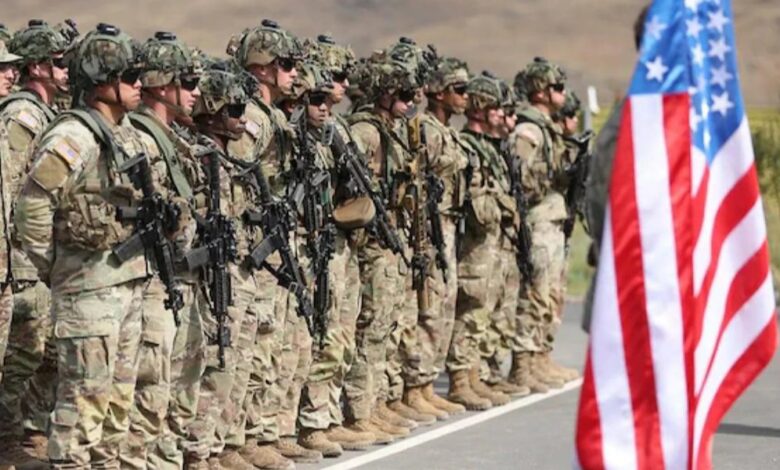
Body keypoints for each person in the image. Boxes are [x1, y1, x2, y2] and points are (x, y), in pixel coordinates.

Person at [13, 22, 152, 469]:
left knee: (117, 403)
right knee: (84, 401)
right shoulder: (74, 135)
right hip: (87, 288)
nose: (140, 84)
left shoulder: (125, 132)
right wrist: (49, 265)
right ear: (101, 79)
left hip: (126, 282)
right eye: (130, 76)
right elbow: (33, 203)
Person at [120, 31, 205, 470]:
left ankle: (164, 457)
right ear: (160, 86)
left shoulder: (172, 138)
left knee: (175, 374)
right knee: (150, 381)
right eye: (186, 83)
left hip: (177, 274)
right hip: (152, 275)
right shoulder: (140, 138)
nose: (195, 93)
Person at [225, 19, 305, 470]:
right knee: (248, 344)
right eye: (286, 64)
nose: (294, 74)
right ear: (261, 67)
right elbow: (237, 178)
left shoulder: (270, 115)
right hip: (250, 245)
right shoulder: (253, 119)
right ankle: (234, 440)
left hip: (269, 243)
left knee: (267, 340)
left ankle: (253, 434)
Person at [0, 21, 69, 460]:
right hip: (20, 256)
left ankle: (23, 434)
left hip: (31, 255)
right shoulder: (22, 115)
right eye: (58, 62)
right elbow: (11, 184)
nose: (10, 73)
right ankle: (11, 440)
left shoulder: (45, 113)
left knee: (38, 351)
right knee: (24, 353)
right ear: (39, 67)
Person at [508, 58, 579, 391]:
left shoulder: (547, 128)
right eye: (557, 87)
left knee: (549, 294)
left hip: (551, 219)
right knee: (534, 293)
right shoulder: (530, 130)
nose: (562, 93)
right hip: (536, 220)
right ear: (540, 91)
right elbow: (519, 178)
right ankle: (523, 365)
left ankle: (539, 358)